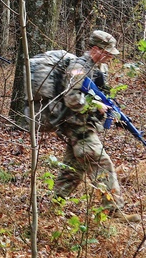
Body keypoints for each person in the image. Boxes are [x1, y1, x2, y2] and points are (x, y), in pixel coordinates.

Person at [50, 30, 140, 223]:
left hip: (83, 125)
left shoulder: (97, 69)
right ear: (95, 49)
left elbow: (100, 94)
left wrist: (109, 109)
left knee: (72, 170)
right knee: (102, 164)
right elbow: (72, 99)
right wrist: (96, 105)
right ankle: (114, 211)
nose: (109, 56)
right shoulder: (78, 67)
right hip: (77, 126)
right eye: (106, 51)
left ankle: (54, 207)